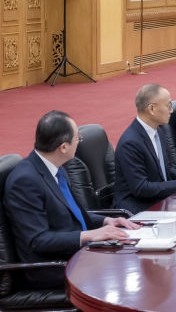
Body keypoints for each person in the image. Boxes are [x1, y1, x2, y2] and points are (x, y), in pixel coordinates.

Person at [3, 111, 139, 289]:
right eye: (77, 138)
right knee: (127, 270)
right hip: (51, 267)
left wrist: (107, 221)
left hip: (77, 253)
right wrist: (89, 235)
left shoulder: (55, 167)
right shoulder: (25, 181)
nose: (79, 142)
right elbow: (38, 240)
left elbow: (73, 213)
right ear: (63, 147)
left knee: (134, 253)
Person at [114, 84, 176, 215]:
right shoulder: (131, 142)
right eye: (168, 105)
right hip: (139, 208)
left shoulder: (158, 131)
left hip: (160, 199)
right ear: (152, 109)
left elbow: (166, 169)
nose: (171, 110)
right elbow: (141, 188)